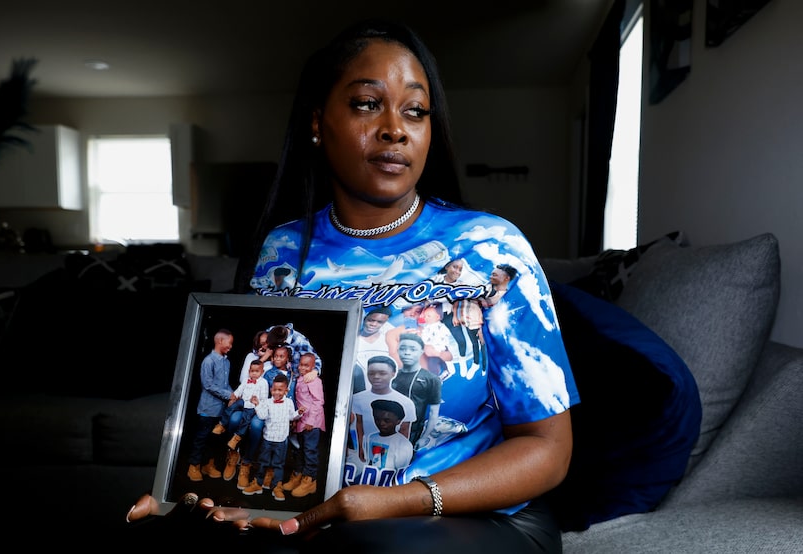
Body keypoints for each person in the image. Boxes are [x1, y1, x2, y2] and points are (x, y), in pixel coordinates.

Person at [125, 19, 578, 553]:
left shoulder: (488, 247)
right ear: (319, 123)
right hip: (312, 512)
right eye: (367, 104)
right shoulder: (281, 252)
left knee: (367, 548)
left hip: (466, 514)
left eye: (415, 110)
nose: (395, 129)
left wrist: (394, 500)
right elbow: (272, 386)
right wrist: (190, 486)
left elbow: (548, 449)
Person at [241, 374, 303, 501]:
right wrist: (257, 404)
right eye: (274, 389)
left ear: (286, 391)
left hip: (281, 440)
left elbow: (291, 417)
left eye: (280, 390)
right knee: (262, 462)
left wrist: (299, 413)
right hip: (268, 439)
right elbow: (262, 416)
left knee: (278, 465)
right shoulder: (268, 402)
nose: (276, 392)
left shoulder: (289, 402)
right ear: (271, 390)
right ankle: (258, 484)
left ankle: (277, 486)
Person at [186, 328, 234, 482]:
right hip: (208, 408)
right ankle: (194, 466)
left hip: (220, 410)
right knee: (202, 438)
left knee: (215, 439)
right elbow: (208, 385)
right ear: (220, 341)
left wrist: (236, 395)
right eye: (230, 343)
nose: (231, 346)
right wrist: (228, 395)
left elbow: (226, 385)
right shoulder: (209, 361)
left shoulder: (226, 362)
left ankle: (209, 464)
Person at [283, 352, 325, 498]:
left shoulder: (314, 381)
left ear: (313, 367)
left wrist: (310, 421)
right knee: (300, 450)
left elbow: (318, 402)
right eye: (301, 364)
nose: (302, 367)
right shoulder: (299, 378)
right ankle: (298, 475)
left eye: (306, 365)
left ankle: (310, 481)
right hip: (302, 420)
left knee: (310, 451)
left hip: (311, 423)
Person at [391, 333, 441, 448]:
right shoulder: (392, 375)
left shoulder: (431, 379)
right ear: (398, 350)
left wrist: (424, 437)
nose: (407, 353)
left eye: (413, 349)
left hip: (413, 432)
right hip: (388, 431)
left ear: (421, 351)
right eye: (403, 349)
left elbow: (434, 413)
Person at [212, 359, 270, 453]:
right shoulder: (246, 380)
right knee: (231, 407)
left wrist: (258, 405)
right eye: (252, 371)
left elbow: (264, 398)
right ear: (249, 371)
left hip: (252, 405)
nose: (254, 373)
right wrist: (234, 397)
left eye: (257, 371)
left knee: (246, 419)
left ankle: (237, 437)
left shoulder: (263, 383)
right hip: (243, 401)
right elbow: (239, 390)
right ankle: (222, 424)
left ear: (262, 372)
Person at [353, 306, 396, 393]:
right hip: (358, 392)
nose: (374, 324)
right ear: (364, 318)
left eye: (379, 322)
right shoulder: (353, 339)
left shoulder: (387, 340)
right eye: (371, 320)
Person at [363, 399, 414, 472]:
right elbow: (371, 462)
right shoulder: (371, 438)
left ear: (398, 421)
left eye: (387, 421)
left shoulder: (403, 444)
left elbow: (400, 473)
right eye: (377, 419)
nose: (381, 423)